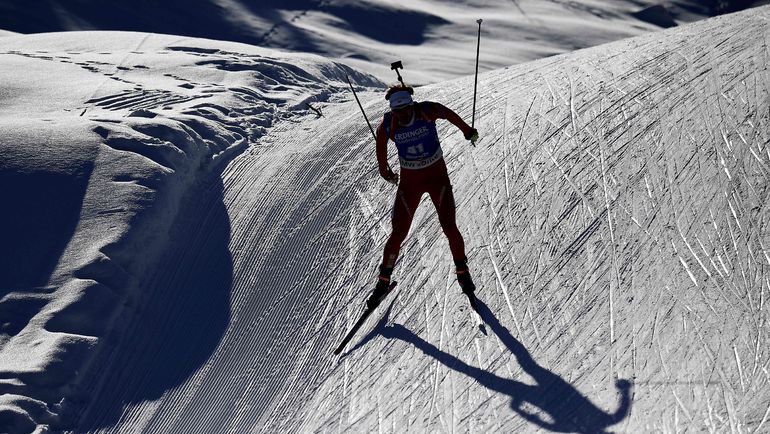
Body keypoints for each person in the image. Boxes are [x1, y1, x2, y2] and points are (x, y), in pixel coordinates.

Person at [368, 83, 480, 308]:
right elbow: (380, 150)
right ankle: (382, 282)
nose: (404, 115)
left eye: (407, 109)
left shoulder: (425, 111)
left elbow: (448, 114)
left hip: (436, 179)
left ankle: (462, 271)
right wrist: (385, 172)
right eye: (398, 112)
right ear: (392, 110)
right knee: (398, 233)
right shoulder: (389, 123)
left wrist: (467, 130)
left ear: (412, 104)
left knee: (449, 226)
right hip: (412, 184)